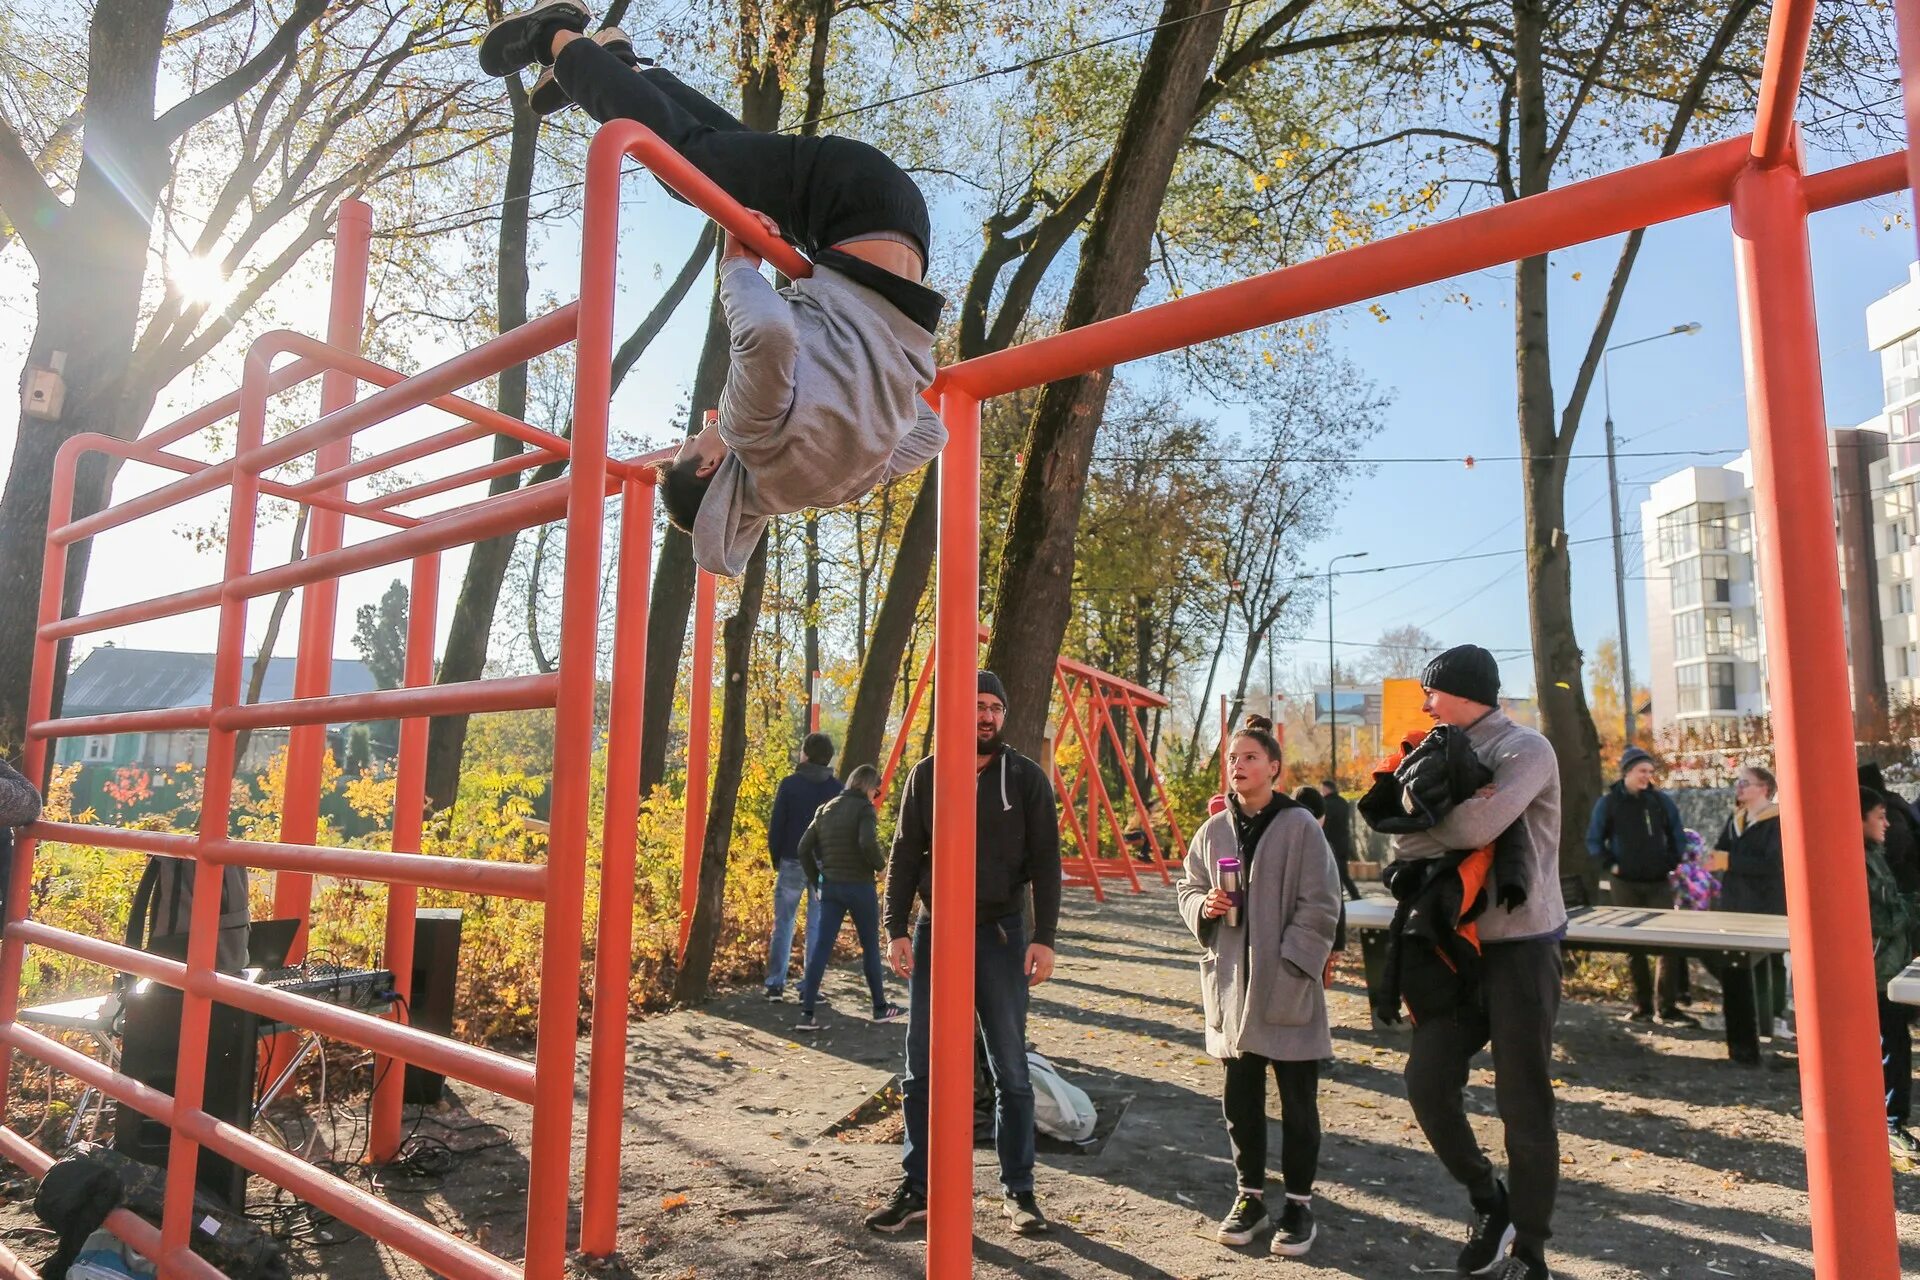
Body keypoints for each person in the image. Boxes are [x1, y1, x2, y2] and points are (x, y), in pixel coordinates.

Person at [477, 1, 947, 577]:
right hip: (850, 200)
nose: (704, 421)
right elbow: (768, 334)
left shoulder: (831, 486)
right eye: (693, 440)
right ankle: (553, 35)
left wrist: (857, 387)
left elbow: (930, 433)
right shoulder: (750, 436)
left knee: (706, 173)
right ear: (708, 469)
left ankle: (620, 68)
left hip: (900, 237)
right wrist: (737, 269)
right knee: (688, 160)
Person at [1389, 645, 1564, 1280]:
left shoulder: (1525, 750)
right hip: (1456, 949)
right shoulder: (1433, 747)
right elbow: (1398, 831)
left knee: (1524, 1102)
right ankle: (1492, 1203)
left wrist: (1436, 823)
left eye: (1431, 692)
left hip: (1521, 948)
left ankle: (1530, 1253)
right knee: (1427, 1083)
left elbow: (1470, 827)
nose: (1425, 704)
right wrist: (1433, 824)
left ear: (1461, 692)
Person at [866, 671, 1061, 1237]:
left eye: (996, 708)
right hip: (936, 933)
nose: (986, 716)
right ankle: (918, 1186)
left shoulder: (1025, 778)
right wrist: (895, 928)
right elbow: (904, 853)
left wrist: (1044, 936)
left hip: (1001, 935)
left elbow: (1047, 861)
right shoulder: (927, 775)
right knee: (919, 1066)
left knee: (1011, 1066)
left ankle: (1019, 1190)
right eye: (976, 706)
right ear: (957, 711)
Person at [1177, 721, 1340, 1258]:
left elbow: (1322, 903)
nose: (1238, 765)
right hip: (1230, 987)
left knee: (1298, 1103)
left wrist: (1296, 963)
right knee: (1240, 1101)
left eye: (1249, 756)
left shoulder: (1300, 827)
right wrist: (1204, 908)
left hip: (1285, 984)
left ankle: (1298, 1203)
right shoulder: (1213, 830)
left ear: (1274, 767)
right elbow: (1189, 884)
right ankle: (1250, 1197)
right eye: (1232, 758)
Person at [1585, 747, 1694, 1025]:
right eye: (1642, 771)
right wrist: (1612, 866)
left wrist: (1670, 862)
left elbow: (1677, 837)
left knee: (1666, 943)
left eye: (1650, 771)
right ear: (1627, 772)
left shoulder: (1660, 802)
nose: (1647, 776)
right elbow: (1594, 841)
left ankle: (1666, 1007)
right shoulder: (1608, 804)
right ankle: (1641, 1006)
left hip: (1659, 883)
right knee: (1633, 946)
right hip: (1625, 883)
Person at [795, 765, 902, 1031]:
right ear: (868, 786)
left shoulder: (826, 809)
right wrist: (880, 868)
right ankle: (879, 1007)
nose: (875, 797)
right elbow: (867, 842)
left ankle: (807, 1013)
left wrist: (817, 878)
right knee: (870, 946)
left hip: (831, 887)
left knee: (821, 947)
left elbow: (803, 848)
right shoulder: (864, 810)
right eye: (876, 792)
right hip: (860, 887)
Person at [1712, 764, 1786, 1065]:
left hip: (1765, 902)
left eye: (1746, 783)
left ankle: (1775, 1014)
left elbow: (1771, 864)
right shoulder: (1737, 818)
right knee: (1736, 961)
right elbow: (1721, 852)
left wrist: (1728, 861)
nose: (1739, 787)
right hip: (1735, 901)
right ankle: (1748, 1016)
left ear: (1764, 788)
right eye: (1738, 782)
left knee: (1770, 960)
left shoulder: (1777, 821)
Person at [1862, 788, 1920, 1160]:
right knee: (1891, 1046)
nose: (1887, 824)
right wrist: (1909, 913)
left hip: (1889, 964)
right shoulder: (1861, 860)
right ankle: (1889, 1123)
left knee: (1894, 1044)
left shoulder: (1874, 855)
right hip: (1879, 970)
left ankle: (1890, 1120)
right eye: (1880, 816)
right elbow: (1881, 918)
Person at [764, 734, 841, 1000]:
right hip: (825, 864)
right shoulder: (836, 789)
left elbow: (778, 825)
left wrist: (776, 857)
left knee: (784, 922)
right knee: (817, 926)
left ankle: (775, 983)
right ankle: (811, 986)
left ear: (805, 755)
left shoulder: (790, 785)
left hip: (792, 860)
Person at [1318, 779, 1363, 900]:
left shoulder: (1325, 804)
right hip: (1343, 840)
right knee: (1342, 871)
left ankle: (1341, 895)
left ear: (1326, 789)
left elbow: (1326, 824)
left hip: (1330, 841)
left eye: (1322, 789)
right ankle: (1353, 894)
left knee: (1333, 871)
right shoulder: (1343, 802)